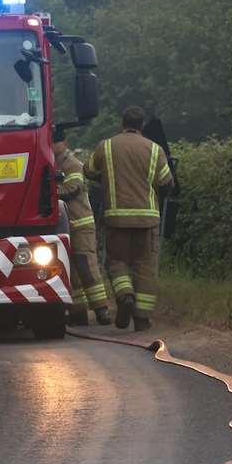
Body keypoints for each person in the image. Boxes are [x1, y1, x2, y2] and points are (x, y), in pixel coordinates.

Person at [86, 105, 174, 332]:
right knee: (145, 267)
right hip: (148, 220)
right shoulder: (155, 150)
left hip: (117, 219)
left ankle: (125, 296)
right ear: (141, 125)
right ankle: (142, 319)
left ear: (122, 124)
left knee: (116, 262)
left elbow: (89, 170)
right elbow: (167, 183)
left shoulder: (105, 146)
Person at [55, 139, 110, 326]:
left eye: (55, 142)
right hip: (67, 227)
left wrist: (47, 191)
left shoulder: (73, 164)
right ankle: (78, 313)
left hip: (81, 225)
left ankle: (102, 310)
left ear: (64, 143)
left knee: (87, 268)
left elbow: (72, 189)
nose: (52, 146)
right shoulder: (54, 163)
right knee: (72, 273)